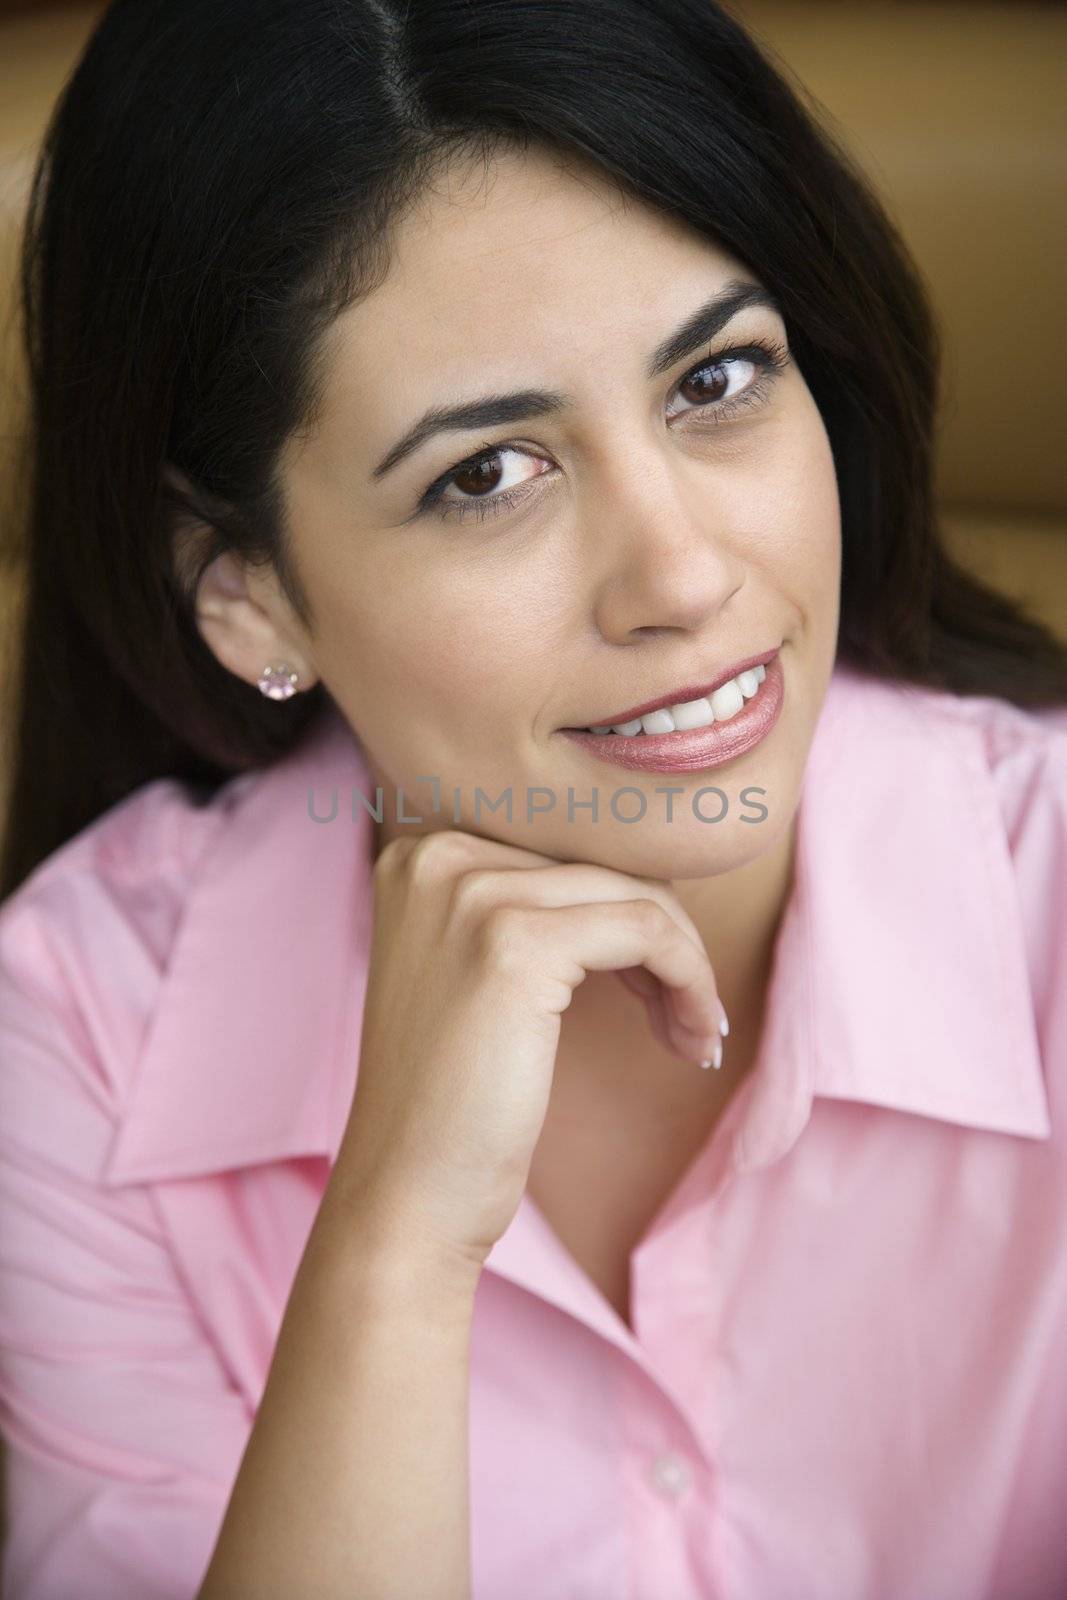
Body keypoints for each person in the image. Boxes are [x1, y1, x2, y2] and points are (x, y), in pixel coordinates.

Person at [1, 0, 1066, 1596]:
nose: (687, 575)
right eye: (485, 474)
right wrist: (394, 1255)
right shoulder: (72, 1031)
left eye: (717, 379)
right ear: (249, 597)